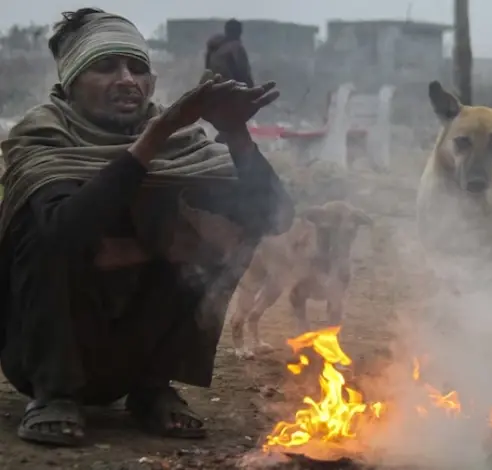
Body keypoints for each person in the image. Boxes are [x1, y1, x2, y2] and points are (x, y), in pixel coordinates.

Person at [0, 8, 295, 447]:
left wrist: (236, 134)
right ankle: (55, 394)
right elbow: (64, 232)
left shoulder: (181, 143)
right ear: (71, 82)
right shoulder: (43, 134)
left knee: (224, 229)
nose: (127, 80)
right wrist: (153, 138)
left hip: (132, 346)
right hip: (41, 351)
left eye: (137, 68)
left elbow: (273, 218)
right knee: (40, 229)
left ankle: (152, 387)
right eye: (106, 66)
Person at [205, 18, 254, 88]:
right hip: (231, 88)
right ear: (239, 32)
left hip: (213, 86)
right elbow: (244, 74)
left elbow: (207, 69)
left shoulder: (214, 47)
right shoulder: (237, 47)